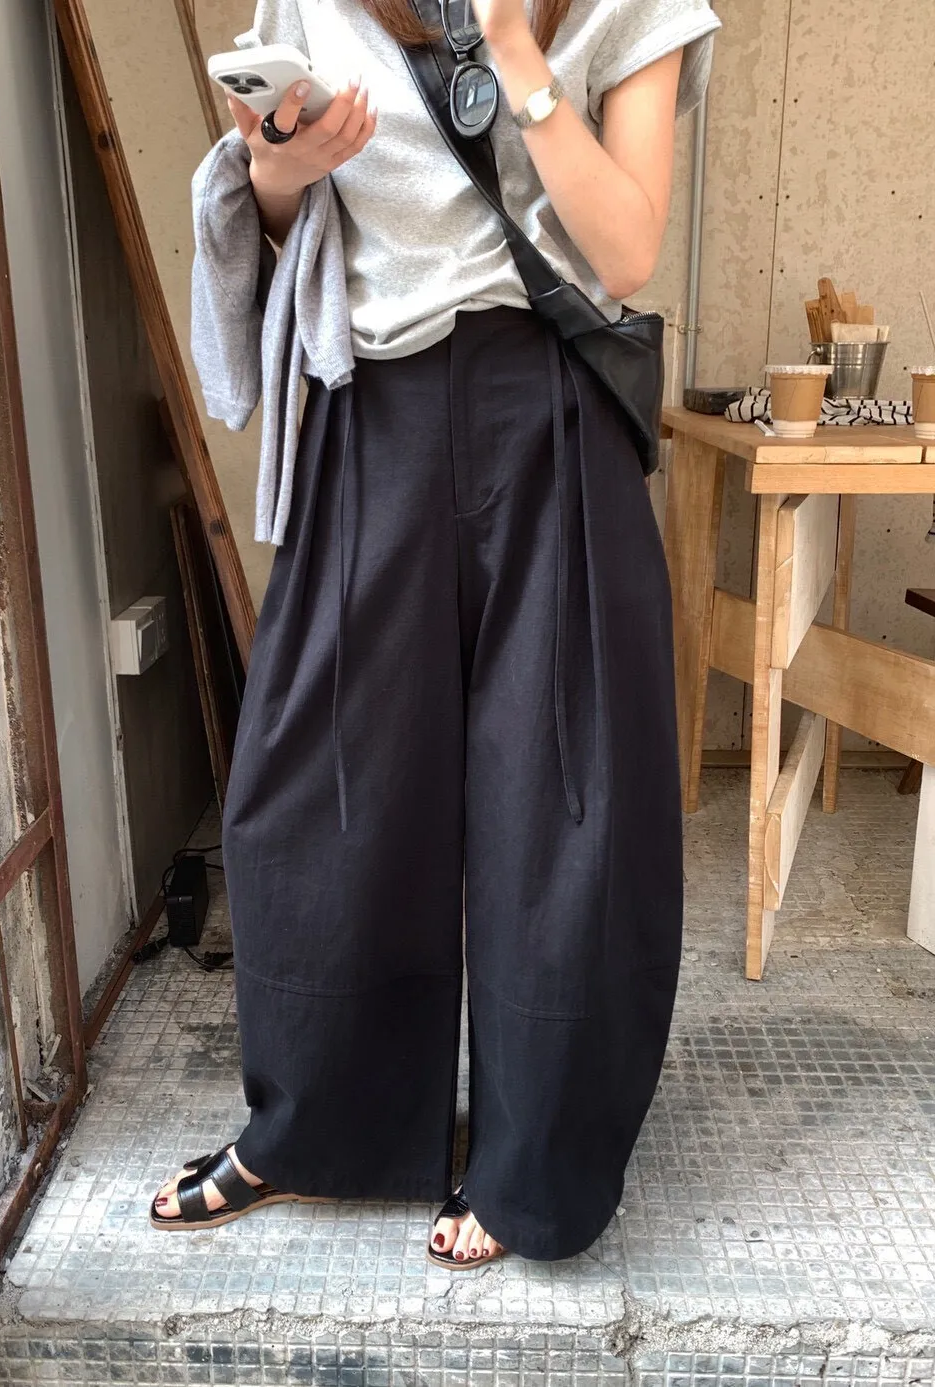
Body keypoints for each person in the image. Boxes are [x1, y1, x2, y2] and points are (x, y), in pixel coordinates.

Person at [151, 0, 721, 1267]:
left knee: (563, 798)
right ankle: (314, 1123)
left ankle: (534, 1166)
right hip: (375, 406)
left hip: (554, 404)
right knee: (315, 777)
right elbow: (286, 214)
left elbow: (626, 251)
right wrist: (282, 170)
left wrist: (516, 50)